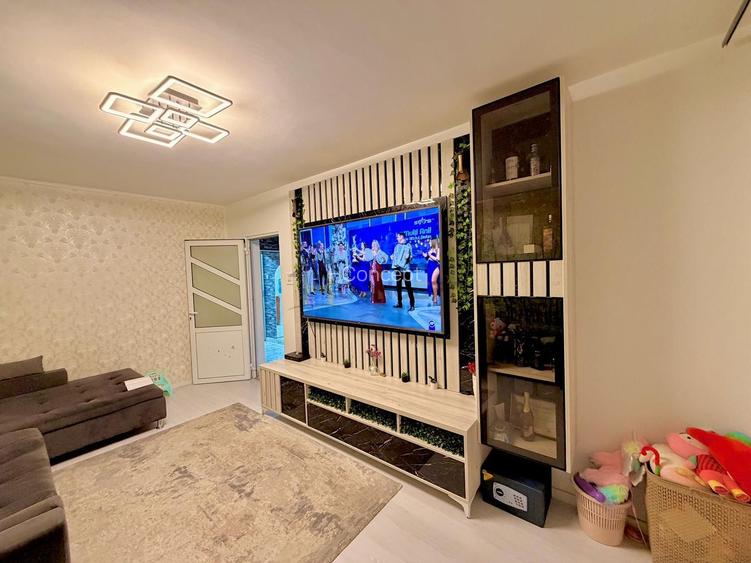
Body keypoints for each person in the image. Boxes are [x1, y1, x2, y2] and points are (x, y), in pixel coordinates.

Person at [390, 231, 415, 311]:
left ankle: (412, 305)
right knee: (398, 287)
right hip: (397, 269)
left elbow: (411, 257)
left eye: (398, 236)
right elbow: (395, 256)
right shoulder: (397, 246)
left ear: (402, 237)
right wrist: (392, 257)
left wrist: (409, 257)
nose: (397, 238)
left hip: (405, 269)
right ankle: (399, 303)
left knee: (408, 287)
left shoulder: (408, 245)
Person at [422, 238, 441, 305]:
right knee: (431, 281)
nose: (429, 243)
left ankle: (435, 297)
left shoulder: (438, 249)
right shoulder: (430, 249)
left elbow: (437, 259)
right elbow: (428, 258)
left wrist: (429, 255)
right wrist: (425, 256)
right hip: (430, 265)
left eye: (430, 242)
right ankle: (434, 295)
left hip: (436, 266)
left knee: (433, 281)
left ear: (433, 242)